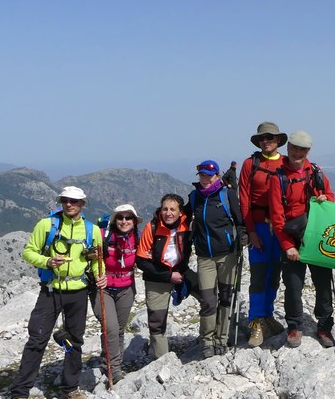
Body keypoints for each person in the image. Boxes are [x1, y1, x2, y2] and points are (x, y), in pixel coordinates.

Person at [8, 186, 106, 399]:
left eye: (73, 201)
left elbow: (96, 259)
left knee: (75, 341)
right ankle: (20, 394)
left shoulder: (92, 230)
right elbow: (29, 252)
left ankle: (70, 387)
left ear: (83, 204)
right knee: (36, 340)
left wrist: (100, 274)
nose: (68, 204)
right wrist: (48, 262)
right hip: (51, 290)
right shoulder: (47, 225)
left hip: (78, 290)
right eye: (65, 200)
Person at [268, 130, 335, 349]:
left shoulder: (315, 172)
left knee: (323, 284)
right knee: (293, 286)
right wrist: (287, 246)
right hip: (292, 239)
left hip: (316, 238)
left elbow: (331, 197)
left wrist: (327, 198)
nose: (298, 152)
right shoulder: (278, 178)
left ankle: (324, 327)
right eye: (294, 148)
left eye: (303, 149)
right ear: (288, 148)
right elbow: (277, 217)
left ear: (308, 151)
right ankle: (294, 326)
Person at [186, 160, 244, 358]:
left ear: (217, 177)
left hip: (228, 255)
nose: (204, 179)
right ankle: (207, 341)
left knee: (226, 299)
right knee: (208, 300)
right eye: (201, 175)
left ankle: (222, 338)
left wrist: (242, 236)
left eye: (208, 176)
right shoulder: (195, 197)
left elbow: (239, 220)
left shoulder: (227, 195)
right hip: (205, 258)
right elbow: (182, 217)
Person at [238, 121, 287, 346]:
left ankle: (267, 314)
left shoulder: (286, 163)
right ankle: (256, 322)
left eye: (270, 137)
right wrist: (251, 231)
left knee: (274, 273)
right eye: (262, 138)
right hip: (258, 225)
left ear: (278, 141)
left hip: (280, 227)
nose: (266, 141)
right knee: (258, 275)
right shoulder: (250, 164)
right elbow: (244, 199)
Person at [136, 193, 192, 359]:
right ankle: (162, 360)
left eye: (172, 209)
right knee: (157, 322)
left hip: (181, 271)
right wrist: (168, 276)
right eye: (165, 209)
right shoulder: (152, 227)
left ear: (180, 212)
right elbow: (141, 261)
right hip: (158, 277)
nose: (168, 213)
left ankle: (208, 342)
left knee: (208, 296)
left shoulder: (186, 226)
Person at [93, 204, 141, 383]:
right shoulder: (103, 236)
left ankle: (110, 362)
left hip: (126, 289)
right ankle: (115, 370)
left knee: (118, 330)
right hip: (103, 289)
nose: (124, 221)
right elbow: (89, 259)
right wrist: (96, 276)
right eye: (120, 217)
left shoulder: (137, 238)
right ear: (114, 220)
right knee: (111, 328)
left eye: (128, 218)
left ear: (134, 221)